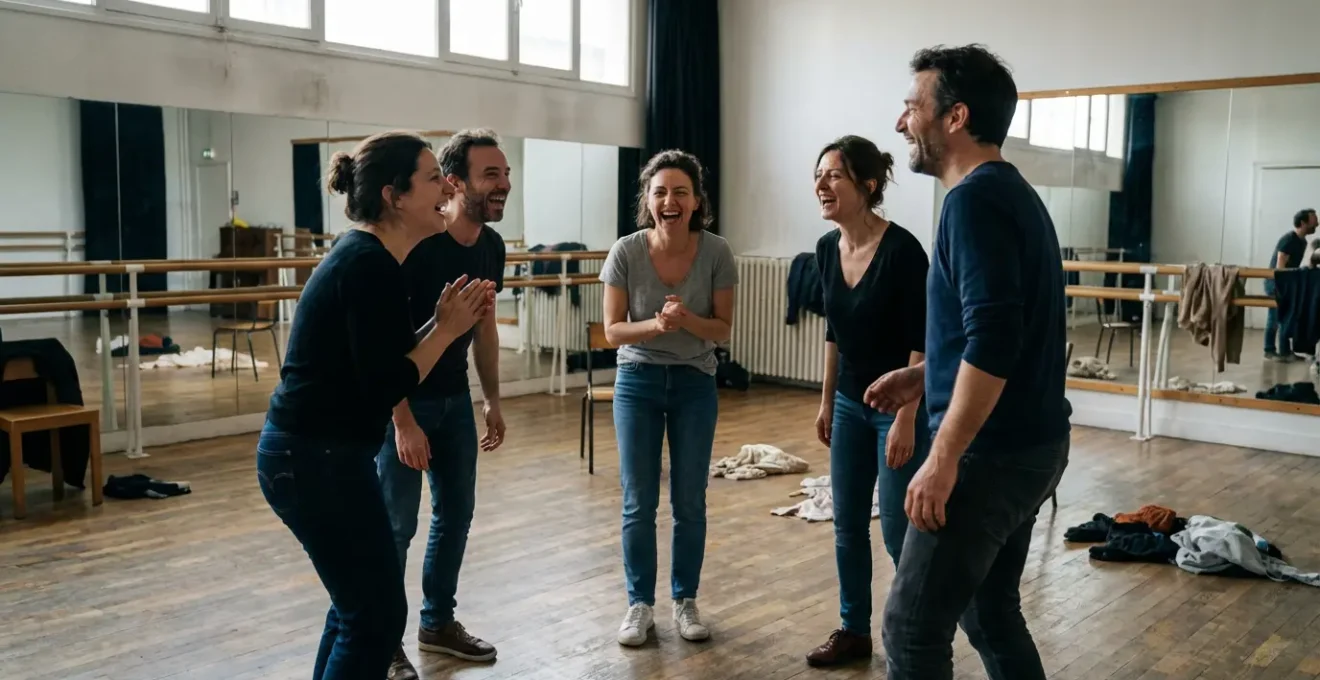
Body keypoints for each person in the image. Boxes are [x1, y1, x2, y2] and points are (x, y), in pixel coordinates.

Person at [257, 131, 495, 680]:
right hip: (311, 460)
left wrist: (440, 323)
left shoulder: (371, 258)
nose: (447, 187)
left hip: (319, 457)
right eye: (434, 178)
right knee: (376, 615)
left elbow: (378, 358)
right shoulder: (368, 264)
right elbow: (386, 383)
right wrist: (448, 329)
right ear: (395, 196)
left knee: (360, 609)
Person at [870, 45, 1072, 680]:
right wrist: (924, 375)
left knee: (910, 630)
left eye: (912, 108)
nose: (902, 123)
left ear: (954, 117)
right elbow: (993, 335)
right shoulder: (1006, 194)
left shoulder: (973, 202)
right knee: (988, 612)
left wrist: (943, 455)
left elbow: (994, 341)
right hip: (1031, 446)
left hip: (991, 456)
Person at [377, 129, 510, 677]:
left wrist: (492, 398)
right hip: (402, 407)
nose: (503, 185)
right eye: (490, 175)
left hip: (454, 401)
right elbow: (387, 347)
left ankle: (437, 624)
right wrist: (403, 420)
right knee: (396, 526)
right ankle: (382, 639)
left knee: (456, 516)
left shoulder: (491, 247)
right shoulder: (418, 245)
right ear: (456, 182)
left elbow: (484, 329)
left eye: (505, 174)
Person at [599, 149, 737, 647]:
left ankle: (685, 600)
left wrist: (687, 322)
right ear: (648, 201)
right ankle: (639, 605)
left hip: (695, 384)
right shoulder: (627, 251)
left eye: (681, 191)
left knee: (689, 502)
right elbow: (613, 332)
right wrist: (656, 325)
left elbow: (721, 330)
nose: (670, 200)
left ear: (697, 201)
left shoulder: (717, 252)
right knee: (638, 502)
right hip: (637, 382)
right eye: (660, 192)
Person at [803, 135, 931, 668]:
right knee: (847, 523)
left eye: (834, 175)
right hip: (852, 408)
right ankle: (854, 630)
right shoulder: (824, 249)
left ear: (868, 185)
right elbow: (834, 331)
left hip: (897, 411)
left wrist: (906, 416)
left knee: (900, 533)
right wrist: (827, 400)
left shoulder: (903, 251)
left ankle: (913, 632)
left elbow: (923, 340)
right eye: (819, 175)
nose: (822, 184)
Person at [1265, 208, 1317, 361]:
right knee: (1275, 318)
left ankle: (1285, 352)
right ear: (1303, 223)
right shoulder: (1289, 239)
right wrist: (1282, 284)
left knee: (1287, 317)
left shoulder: (1302, 241)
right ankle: (1269, 350)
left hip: (1286, 284)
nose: (1317, 223)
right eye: (1314, 220)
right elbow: (1281, 261)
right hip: (1276, 283)